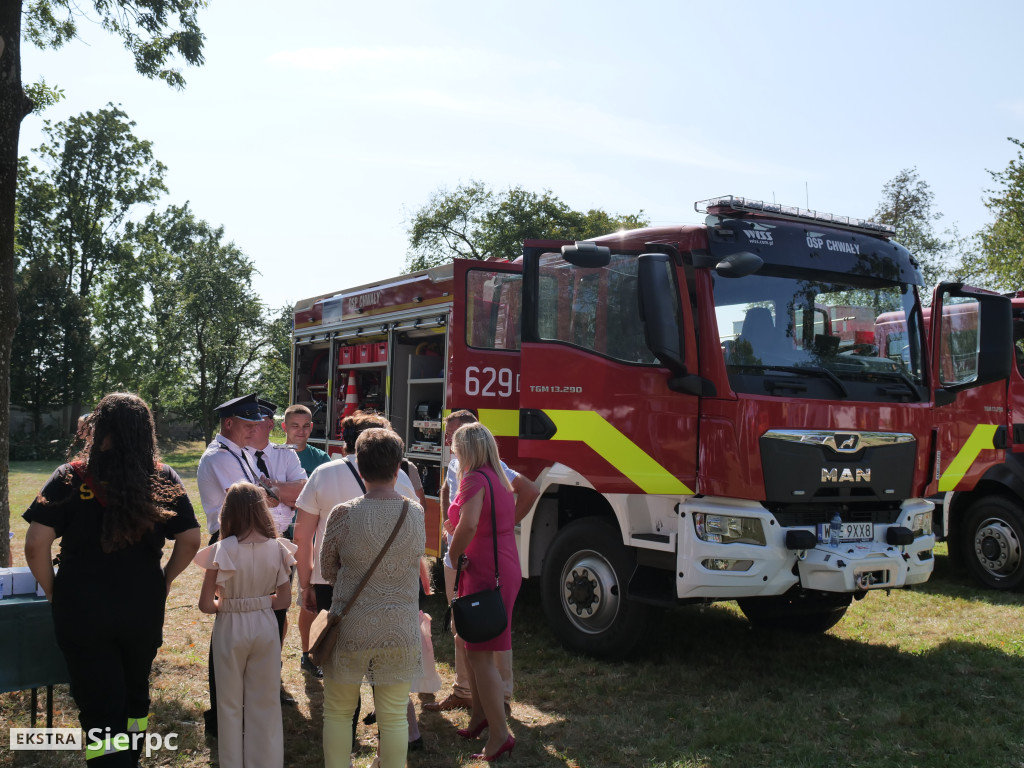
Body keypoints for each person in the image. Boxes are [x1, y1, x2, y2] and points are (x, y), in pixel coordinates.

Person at [23, 392, 201, 767]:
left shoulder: (70, 476)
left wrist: (53, 590)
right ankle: (130, 758)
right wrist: (165, 581)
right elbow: (190, 539)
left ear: (99, 427)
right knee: (135, 693)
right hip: (141, 605)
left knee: (98, 704)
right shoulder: (162, 476)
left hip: (81, 606)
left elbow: (36, 543)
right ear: (145, 431)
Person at [319, 428, 425, 768]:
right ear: (398, 468)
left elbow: (328, 569)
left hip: (351, 625)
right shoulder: (416, 513)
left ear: (359, 468)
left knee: (337, 710)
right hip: (401, 626)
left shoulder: (343, 513)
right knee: (394, 715)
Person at [425, 410, 538, 716]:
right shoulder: (458, 463)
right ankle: (464, 691)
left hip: (475, 558)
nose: (451, 442)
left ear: (475, 438)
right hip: (461, 556)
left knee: (491, 626)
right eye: (449, 436)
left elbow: (529, 490)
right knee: (462, 624)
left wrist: (499, 528)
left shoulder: (490, 467)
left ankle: (499, 696)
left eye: (457, 436)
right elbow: (456, 499)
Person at [194, 482, 297, 768]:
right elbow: (284, 600)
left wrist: (228, 604)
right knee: (264, 701)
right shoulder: (277, 548)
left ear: (228, 514)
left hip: (230, 625)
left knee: (228, 703)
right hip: (265, 625)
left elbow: (205, 605)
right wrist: (259, 603)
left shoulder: (222, 551)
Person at [446, 422, 521, 762]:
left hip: (484, 570)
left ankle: (499, 735)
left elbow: (470, 522)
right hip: (502, 564)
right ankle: (480, 716)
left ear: (466, 450)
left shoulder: (474, 478)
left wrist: (451, 553)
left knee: (479, 652)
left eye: (456, 447)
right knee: (475, 642)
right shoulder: (498, 477)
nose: (454, 453)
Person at [196, 392, 269, 734]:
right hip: (229, 542)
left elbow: (261, 493)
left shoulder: (238, 452)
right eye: (248, 424)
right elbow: (252, 498)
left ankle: (240, 704)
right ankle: (221, 712)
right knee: (229, 626)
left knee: (248, 623)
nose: (254, 430)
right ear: (229, 424)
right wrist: (270, 494)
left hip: (245, 542)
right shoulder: (219, 457)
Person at [244, 400, 306, 652]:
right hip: (247, 542)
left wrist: (274, 489)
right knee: (248, 608)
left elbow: (303, 491)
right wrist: (284, 495)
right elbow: (248, 501)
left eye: (254, 423)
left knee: (278, 609)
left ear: (270, 424)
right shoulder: (237, 455)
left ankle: (273, 666)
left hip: (280, 541)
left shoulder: (285, 453)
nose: (247, 428)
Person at [282, 403, 332, 677]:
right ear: (284, 427)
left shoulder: (321, 459)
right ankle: (271, 660)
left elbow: (320, 500)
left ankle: (307, 654)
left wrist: (285, 496)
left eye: (306, 426)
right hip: (279, 537)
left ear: (312, 427)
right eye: (294, 426)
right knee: (278, 602)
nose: (300, 431)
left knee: (309, 599)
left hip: (310, 541)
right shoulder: (274, 455)